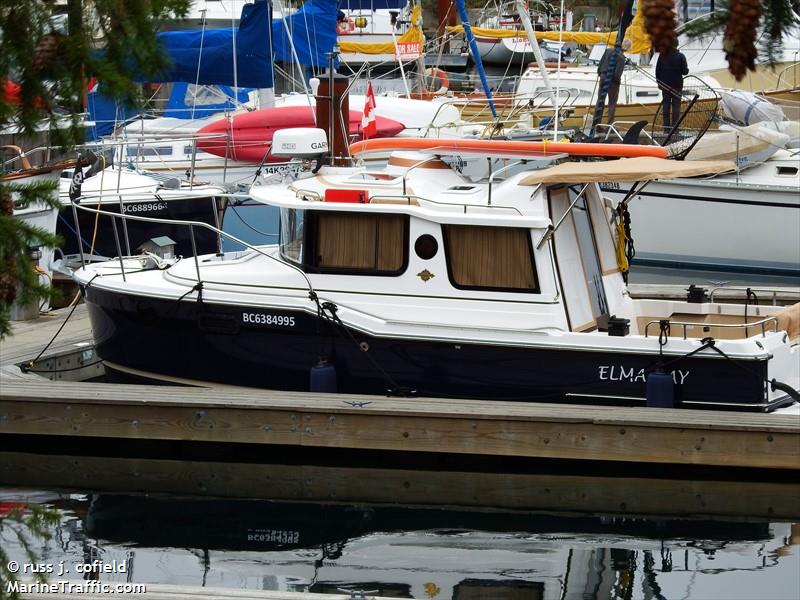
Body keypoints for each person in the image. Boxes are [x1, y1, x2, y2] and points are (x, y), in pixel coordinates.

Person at [655, 39, 689, 130]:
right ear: (677, 45)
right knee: (676, 106)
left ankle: (666, 128)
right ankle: (675, 128)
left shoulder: (662, 56)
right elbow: (685, 72)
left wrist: (659, 82)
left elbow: (657, 70)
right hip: (677, 85)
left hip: (665, 85)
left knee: (666, 106)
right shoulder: (681, 56)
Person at [597, 38, 632, 125]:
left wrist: (601, 75)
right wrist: (618, 83)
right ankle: (609, 125)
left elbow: (600, 65)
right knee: (612, 103)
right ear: (627, 48)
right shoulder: (621, 57)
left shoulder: (608, 51)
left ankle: (597, 124)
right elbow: (617, 74)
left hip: (602, 77)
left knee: (600, 102)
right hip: (612, 82)